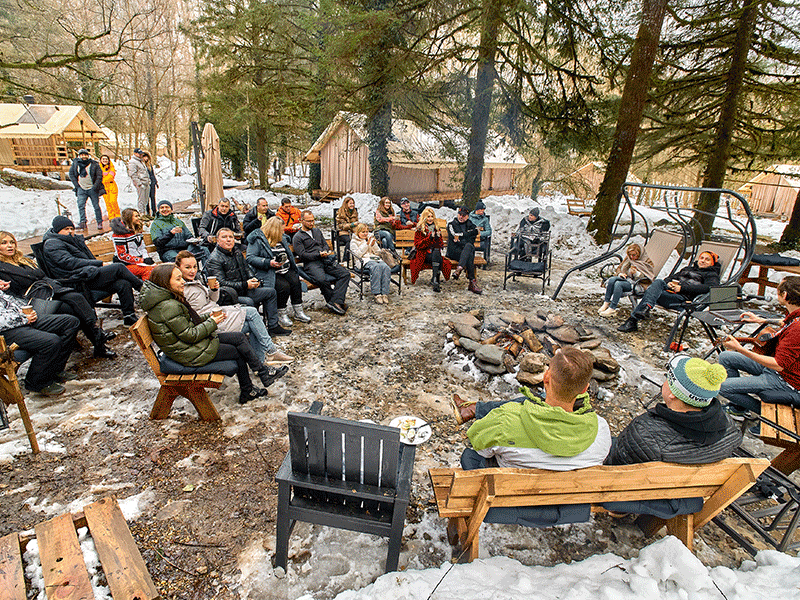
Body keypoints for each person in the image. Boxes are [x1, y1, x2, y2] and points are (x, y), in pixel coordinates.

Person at [604, 354, 741, 518]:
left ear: (673, 394)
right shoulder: (731, 430)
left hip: (646, 494)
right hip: (686, 495)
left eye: (668, 378)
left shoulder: (644, 432)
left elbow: (614, 470)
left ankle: (619, 510)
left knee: (611, 446)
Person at [139, 264, 287, 405]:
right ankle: (253, 384)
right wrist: (212, 322)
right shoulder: (168, 306)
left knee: (240, 337)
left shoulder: (167, 299)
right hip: (189, 353)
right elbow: (190, 335)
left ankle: (261, 374)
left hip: (189, 346)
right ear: (165, 282)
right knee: (237, 350)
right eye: (178, 279)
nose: (183, 282)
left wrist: (209, 317)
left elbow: (189, 322)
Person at [454, 347, 611, 471]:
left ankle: (473, 409)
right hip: (565, 507)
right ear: (585, 389)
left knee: (470, 456)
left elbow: (478, 444)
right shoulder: (601, 430)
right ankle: (474, 409)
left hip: (512, 501)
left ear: (546, 377)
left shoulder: (505, 421)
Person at [0, 231, 115, 358]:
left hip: (48, 290)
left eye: (12, 242)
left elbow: (41, 275)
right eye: (4, 243)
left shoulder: (23, 260)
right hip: (33, 301)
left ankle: (98, 342)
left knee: (76, 300)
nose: (10, 246)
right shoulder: (1, 267)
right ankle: (98, 339)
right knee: (74, 307)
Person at [176, 251, 293, 366]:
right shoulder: (182, 288)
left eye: (195, 266)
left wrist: (214, 290)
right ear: (178, 268)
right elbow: (193, 316)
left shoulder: (195, 281)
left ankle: (260, 363)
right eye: (187, 267)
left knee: (255, 325)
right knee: (251, 312)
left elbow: (212, 300)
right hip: (212, 322)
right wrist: (244, 284)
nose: (192, 270)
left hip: (217, 313)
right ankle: (271, 352)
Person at [717, 276, 800, 414]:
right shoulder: (795, 315)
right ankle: (739, 406)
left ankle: (762, 414)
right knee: (726, 357)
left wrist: (740, 349)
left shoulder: (797, 329)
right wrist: (760, 320)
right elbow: (785, 322)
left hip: (785, 380)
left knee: (722, 387)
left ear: (784, 295)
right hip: (779, 370)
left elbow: (778, 364)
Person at [42, 216, 143, 326]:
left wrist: (97, 266)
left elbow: (86, 259)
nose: (70, 231)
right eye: (66, 229)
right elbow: (69, 263)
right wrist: (99, 264)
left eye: (72, 228)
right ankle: (143, 289)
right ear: (57, 230)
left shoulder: (70, 240)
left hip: (87, 275)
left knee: (123, 283)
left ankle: (129, 316)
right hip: (77, 280)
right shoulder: (52, 243)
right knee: (118, 267)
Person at [205, 228, 290, 336]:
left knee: (271, 292)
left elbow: (247, 269)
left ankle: (273, 326)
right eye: (224, 237)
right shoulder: (214, 259)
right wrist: (246, 284)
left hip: (245, 289)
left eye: (231, 237)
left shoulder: (236, 252)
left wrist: (253, 279)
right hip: (230, 295)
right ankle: (255, 331)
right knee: (249, 301)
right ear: (217, 240)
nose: (228, 240)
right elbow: (221, 283)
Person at [0, 285, 80, 396]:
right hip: (6, 331)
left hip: (20, 318)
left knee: (70, 323)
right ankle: (37, 383)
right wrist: (23, 319)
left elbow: (9, 301)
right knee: (51, 341)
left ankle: (55, 370)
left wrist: (27, 311)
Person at [618, 250, 721, 332]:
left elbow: (710, 288)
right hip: (669, 293)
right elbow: (669, 278)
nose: (702, 261)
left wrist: (682, 288)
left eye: (707, 260)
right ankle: (644, 308)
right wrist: (668, 283)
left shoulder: (711, 274)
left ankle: (633, 320)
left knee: (652, 292)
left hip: (682, 300)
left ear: (712, 263)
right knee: (658, 282)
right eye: (701, 258)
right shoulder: (687, 268)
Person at [246, 216, 311, 326]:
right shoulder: (258, 240)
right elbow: (250, 258)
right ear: (274, 229)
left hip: (285, 269)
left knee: (295, 283)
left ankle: (298, 311)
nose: (283, 231)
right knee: (283, 287)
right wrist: (268, 262)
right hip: (268, 273)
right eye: (281, 229)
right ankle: (281, 313)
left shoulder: (281, 238)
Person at [292, 210, 350, 315]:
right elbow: (302, 255)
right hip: (312, 263)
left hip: (326, 260)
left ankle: (335, 301)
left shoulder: (317, 231)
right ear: (302, 221)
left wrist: (325, 252)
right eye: (309, 221)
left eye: (313, 220)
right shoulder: (298, 237)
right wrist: (318, 254)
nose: (311, 223)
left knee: (345, 274)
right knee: (321, 280)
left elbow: (325, 244)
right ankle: (336, 302)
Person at [599, 243, 655, 317]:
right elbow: (619, 268)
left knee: (618, 284)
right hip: (627, 279)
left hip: (638, 284)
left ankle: (612, 307)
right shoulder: (628, 258)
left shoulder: (647, 262)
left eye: (634, 255)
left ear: (639, 254)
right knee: (612, 279)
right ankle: (606, 303)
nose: (631, 257)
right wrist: (621, 273)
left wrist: (637, 274)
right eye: (630, 255)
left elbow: (649, 278)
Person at [149, 200, 210, 264]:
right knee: (181, 259)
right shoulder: (156, 224)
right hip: (168, 251)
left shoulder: (178, 222)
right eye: (162, 208)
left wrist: (194, 240)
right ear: (159, 210)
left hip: (185, 249)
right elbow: (158, 242)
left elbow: (189, 236)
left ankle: (208, 273)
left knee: (204, 250)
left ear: (171, 210)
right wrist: (170, 233)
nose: (164, 209)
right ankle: (188, 273)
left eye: (167, 207)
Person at [409, 207, 451, 292]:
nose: (430, 219)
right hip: (423, 255)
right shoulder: (420, 229)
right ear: (424, 217)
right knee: (438, 256)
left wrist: (438, 238)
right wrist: (429, 238)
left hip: (434, 254)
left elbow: (440, 245)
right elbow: (418, 245)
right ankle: (436, 279)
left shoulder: (436, 228)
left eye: (432, 216)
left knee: (436, 251)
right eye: (428, 216)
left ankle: (435, 279)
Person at [350, 223, 393, 304]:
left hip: (375, 258)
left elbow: (378, 252)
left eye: (366, 231)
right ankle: (377, 293)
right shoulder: (354, 241)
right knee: (376, 267)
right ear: (358, 232)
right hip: (363, 260)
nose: (365, 234)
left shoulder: (370, 237)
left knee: (385, 267)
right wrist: (366, 244)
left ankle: (384, 293)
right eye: (363, 232)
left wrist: (373, 245)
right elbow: (357, 255)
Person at [111, 208, 156, 280]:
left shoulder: (137, 229)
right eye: (136, 216)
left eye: (138, 216)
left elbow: (142, 248)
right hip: (124, 265)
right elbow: (122, 255)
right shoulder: (119, 234)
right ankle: (146, 289)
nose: (139, 218)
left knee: (156, 269)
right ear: (129, 218)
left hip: (138, 262)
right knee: (147, 270)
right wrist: (141, 261)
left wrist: (146, 257)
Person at [68, 149, 105, 231]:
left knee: (96, 206)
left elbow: (99, 176)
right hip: (81, 188)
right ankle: (83, 222)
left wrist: (95, 186)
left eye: (85, 155)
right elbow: (71, 174)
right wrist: (77, 185)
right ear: (79, 156)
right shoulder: (76, 164)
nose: (84, 156)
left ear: (88, 156)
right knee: (81, 205)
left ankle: (99, 222)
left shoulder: (94, 164)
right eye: (82, 155)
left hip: (92, 188)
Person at [447, 207, 481, 294]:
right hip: (454, 252)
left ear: (468, 216)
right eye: (460, 214)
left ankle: (459, 269)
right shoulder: (451, 224)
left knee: (468, 249)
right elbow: (454, 237)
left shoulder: (471, 226)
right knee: (469, 250)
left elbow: (471, 240)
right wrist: (467, 236)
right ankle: (472, 282)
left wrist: (461, 237)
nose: (461, 217)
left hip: (465, 251)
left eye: (464, 215)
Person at [127, 148, 150, 217]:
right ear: (135, 153)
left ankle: (145, 213)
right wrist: (139, 183)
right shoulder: (132, 162)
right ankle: (142, 213)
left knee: (146, 200)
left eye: (141, 154)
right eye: (139, 153)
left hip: (146, 182)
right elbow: (132, 174)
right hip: (141, 183)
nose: (140, 155)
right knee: (141, 199)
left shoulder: (141, 161)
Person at [469, 201, 492, 265]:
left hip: (480, 240)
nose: (482, 211)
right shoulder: (469, 218)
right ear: (477, 209)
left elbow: (489, 231)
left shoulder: (485, 219)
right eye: (481, 209)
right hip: (470, 239)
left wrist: (480, 234)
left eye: (483, 210)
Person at [99, 155, 120, 221]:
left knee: (113, 202)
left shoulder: (111, 167)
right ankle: (111, 217)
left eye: (106, 159)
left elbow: (111, 176)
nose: (105, 161)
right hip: (104, 188)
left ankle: (117, 216)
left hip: (112, 187)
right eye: (103, 159)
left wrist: (102, 180)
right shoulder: (98, 168)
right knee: (108, 203)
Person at [142, 151, 158, 216]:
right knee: (146, 198)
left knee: (153, 197)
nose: (146, 158)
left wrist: (155, 182)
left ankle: (154, 211)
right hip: (145, 183)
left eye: (146, 157)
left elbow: (152, 174)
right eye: (144, 157)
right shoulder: (142, 166)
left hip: (152, 183)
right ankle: (148, 212)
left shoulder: (149, 165)